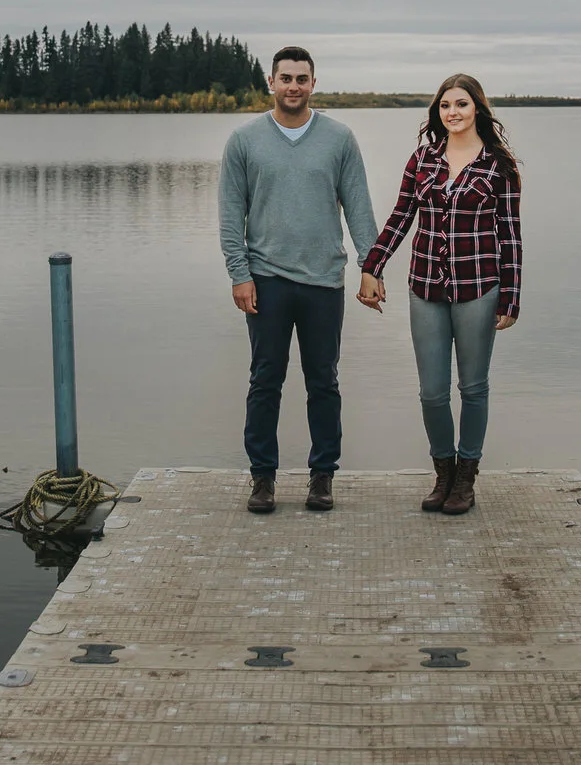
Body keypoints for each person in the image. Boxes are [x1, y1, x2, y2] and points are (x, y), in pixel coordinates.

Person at [218, 46, 377, 515]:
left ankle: (322, 476)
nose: (293, 86)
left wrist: (372, 266)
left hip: (324, 279)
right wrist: (238, 274)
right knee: (265, 380)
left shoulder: (339, 138)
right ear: (271, 82)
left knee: (323, 381)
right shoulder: (244, 140)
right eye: (285, 78)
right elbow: (230, 215)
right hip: (265, 280)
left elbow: (359, 207)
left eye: (301, 78)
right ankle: (262, 478)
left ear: (313, 83)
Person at [356, 73, 522, 516]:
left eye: (462, 104)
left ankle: (466, 479)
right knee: (432, 391)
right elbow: (400, 216)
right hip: (425, 288)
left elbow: (510, 235)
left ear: (477, 110)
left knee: (473, 387)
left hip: (478, 289)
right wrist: (372, 266)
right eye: (446, 105)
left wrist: (511, 297)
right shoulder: (422, 160)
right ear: (438, 113)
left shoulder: (499, 167)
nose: (453, 112)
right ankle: (443, 473)